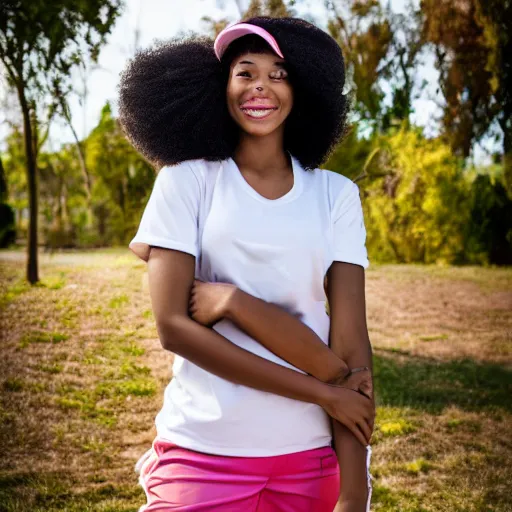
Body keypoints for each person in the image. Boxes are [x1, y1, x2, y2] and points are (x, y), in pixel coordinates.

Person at [119, 16, 376, 512]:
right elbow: (173, 327)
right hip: (203, 450)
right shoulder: (186, 181)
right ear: (222, 86)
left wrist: (354, 491)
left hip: (310, 457)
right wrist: (323, 393)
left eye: (279, 74)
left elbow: (350, 350)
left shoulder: (336, 195)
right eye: (245, 71)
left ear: (301, 90)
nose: (261, 86)